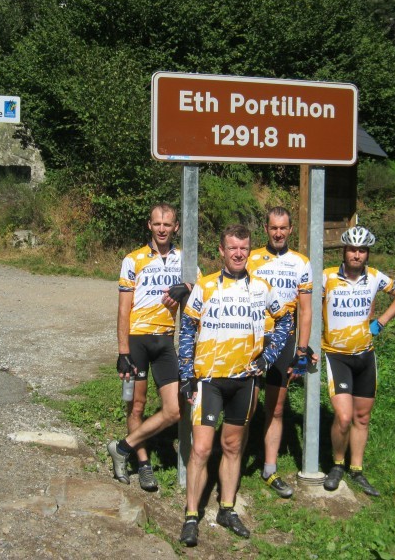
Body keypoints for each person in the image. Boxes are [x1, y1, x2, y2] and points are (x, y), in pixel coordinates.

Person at [177, 224, 293, 547]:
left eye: (244, 248)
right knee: (201, 448)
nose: (238, 253)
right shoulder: (205, 287)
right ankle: (190, 516)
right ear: (221, 251)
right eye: (232, 248)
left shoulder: (262, 287)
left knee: (231, 446)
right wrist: (187, 374)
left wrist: (268, 358)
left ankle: (227, 508)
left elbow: (285, 321)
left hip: (245, 381)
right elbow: (187, 328)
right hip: (210, 381)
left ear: (249, 251)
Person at [321, 226, 395, 497]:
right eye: (352, 249)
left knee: (362, 416)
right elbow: (306, 303)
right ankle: (337, 463)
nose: (356, 255)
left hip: (365, 355)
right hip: (336, 356)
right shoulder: (326, 277)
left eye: (361, 250)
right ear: (344, 251)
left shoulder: (374, 277)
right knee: (344, 416)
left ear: (367, 253)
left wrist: (380, 322)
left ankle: (357, 470)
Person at [107, 203, 189, 492]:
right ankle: (143, 464)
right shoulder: (133, 259)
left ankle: (121, 447)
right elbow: (123, 309)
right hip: (138, 339)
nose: (162, 229)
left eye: (168, 224)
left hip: (165, 339)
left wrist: (188, 287)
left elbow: (204, 291)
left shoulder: (184, 259)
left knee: (174, 410)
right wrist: (122, 351)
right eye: (157, 224)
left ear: (176, 227)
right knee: (137, 405)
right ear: (149, 226)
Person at [246, 207, 314, 498]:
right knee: (246, 405)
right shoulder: (251, 259)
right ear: (266, 228)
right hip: (253, 336)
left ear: (290, 230)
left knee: (275, 407)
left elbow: (307, 310)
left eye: (283, 228)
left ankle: (269, 469)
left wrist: (301, 350)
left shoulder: (301, 262)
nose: (278, 233)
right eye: (273, 228)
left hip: (284, 340)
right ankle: (234, 460)